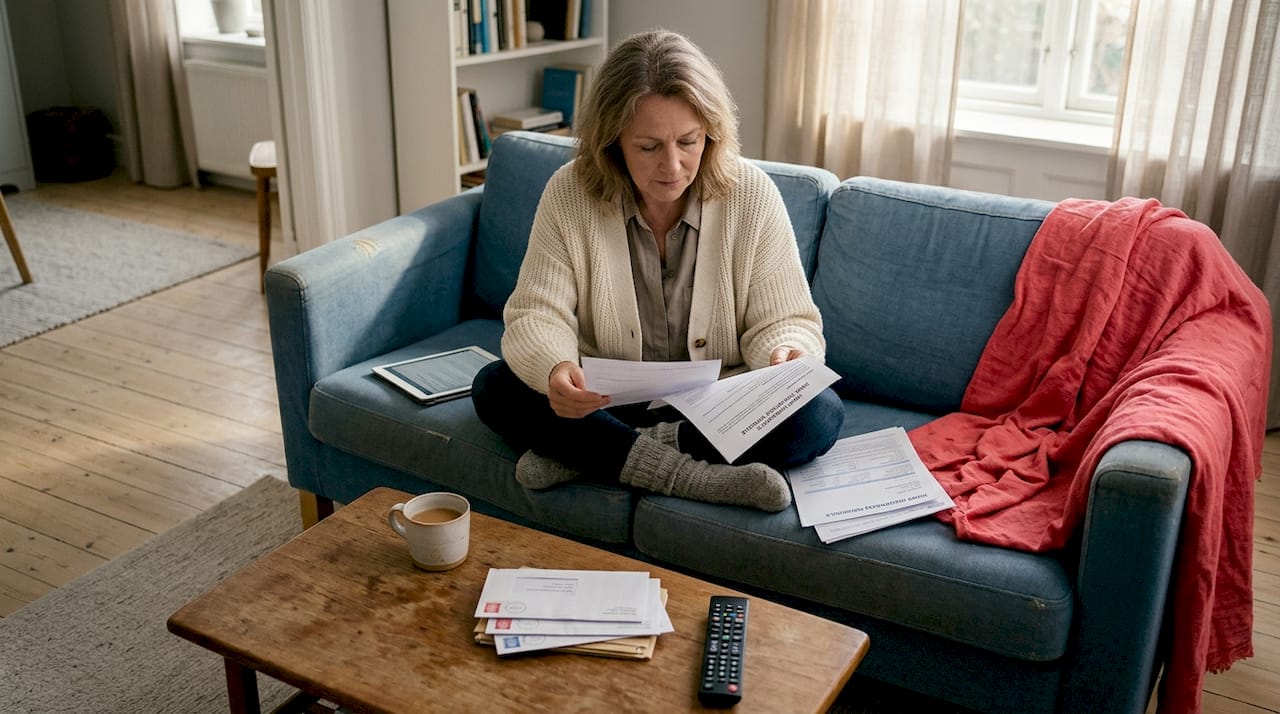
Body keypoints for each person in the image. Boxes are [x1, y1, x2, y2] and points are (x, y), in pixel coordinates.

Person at [471, 29, 843, 512]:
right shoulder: (570, 193)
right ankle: (688, 476)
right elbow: (536, 314)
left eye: (688, 141)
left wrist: (784, 351)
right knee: (494, 388)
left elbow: (787, 318)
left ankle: (593, 452)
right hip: (601, 401)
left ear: (710, 132)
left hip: (717, 406)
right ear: (613, 143)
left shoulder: (750, 195)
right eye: (648, 147)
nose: (673, 165)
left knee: (819, 415)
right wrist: (557, 369)